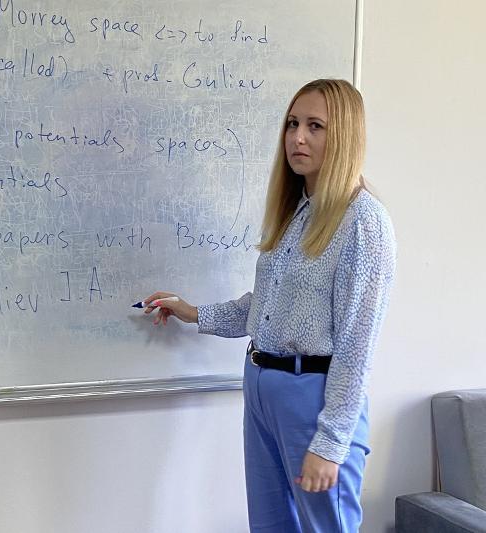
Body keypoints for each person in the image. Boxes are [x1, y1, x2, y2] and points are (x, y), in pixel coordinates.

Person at [144, 79, 396, 532]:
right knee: (269, 525)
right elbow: (265, 307)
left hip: (313, 399)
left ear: (345, 135)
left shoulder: (364, 222)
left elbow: (357, 344)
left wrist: (330, 443)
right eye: (293, 124)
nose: (298, 138)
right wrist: (193, 312)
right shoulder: (296, 211)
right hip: (262, 386)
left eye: (315, 126)